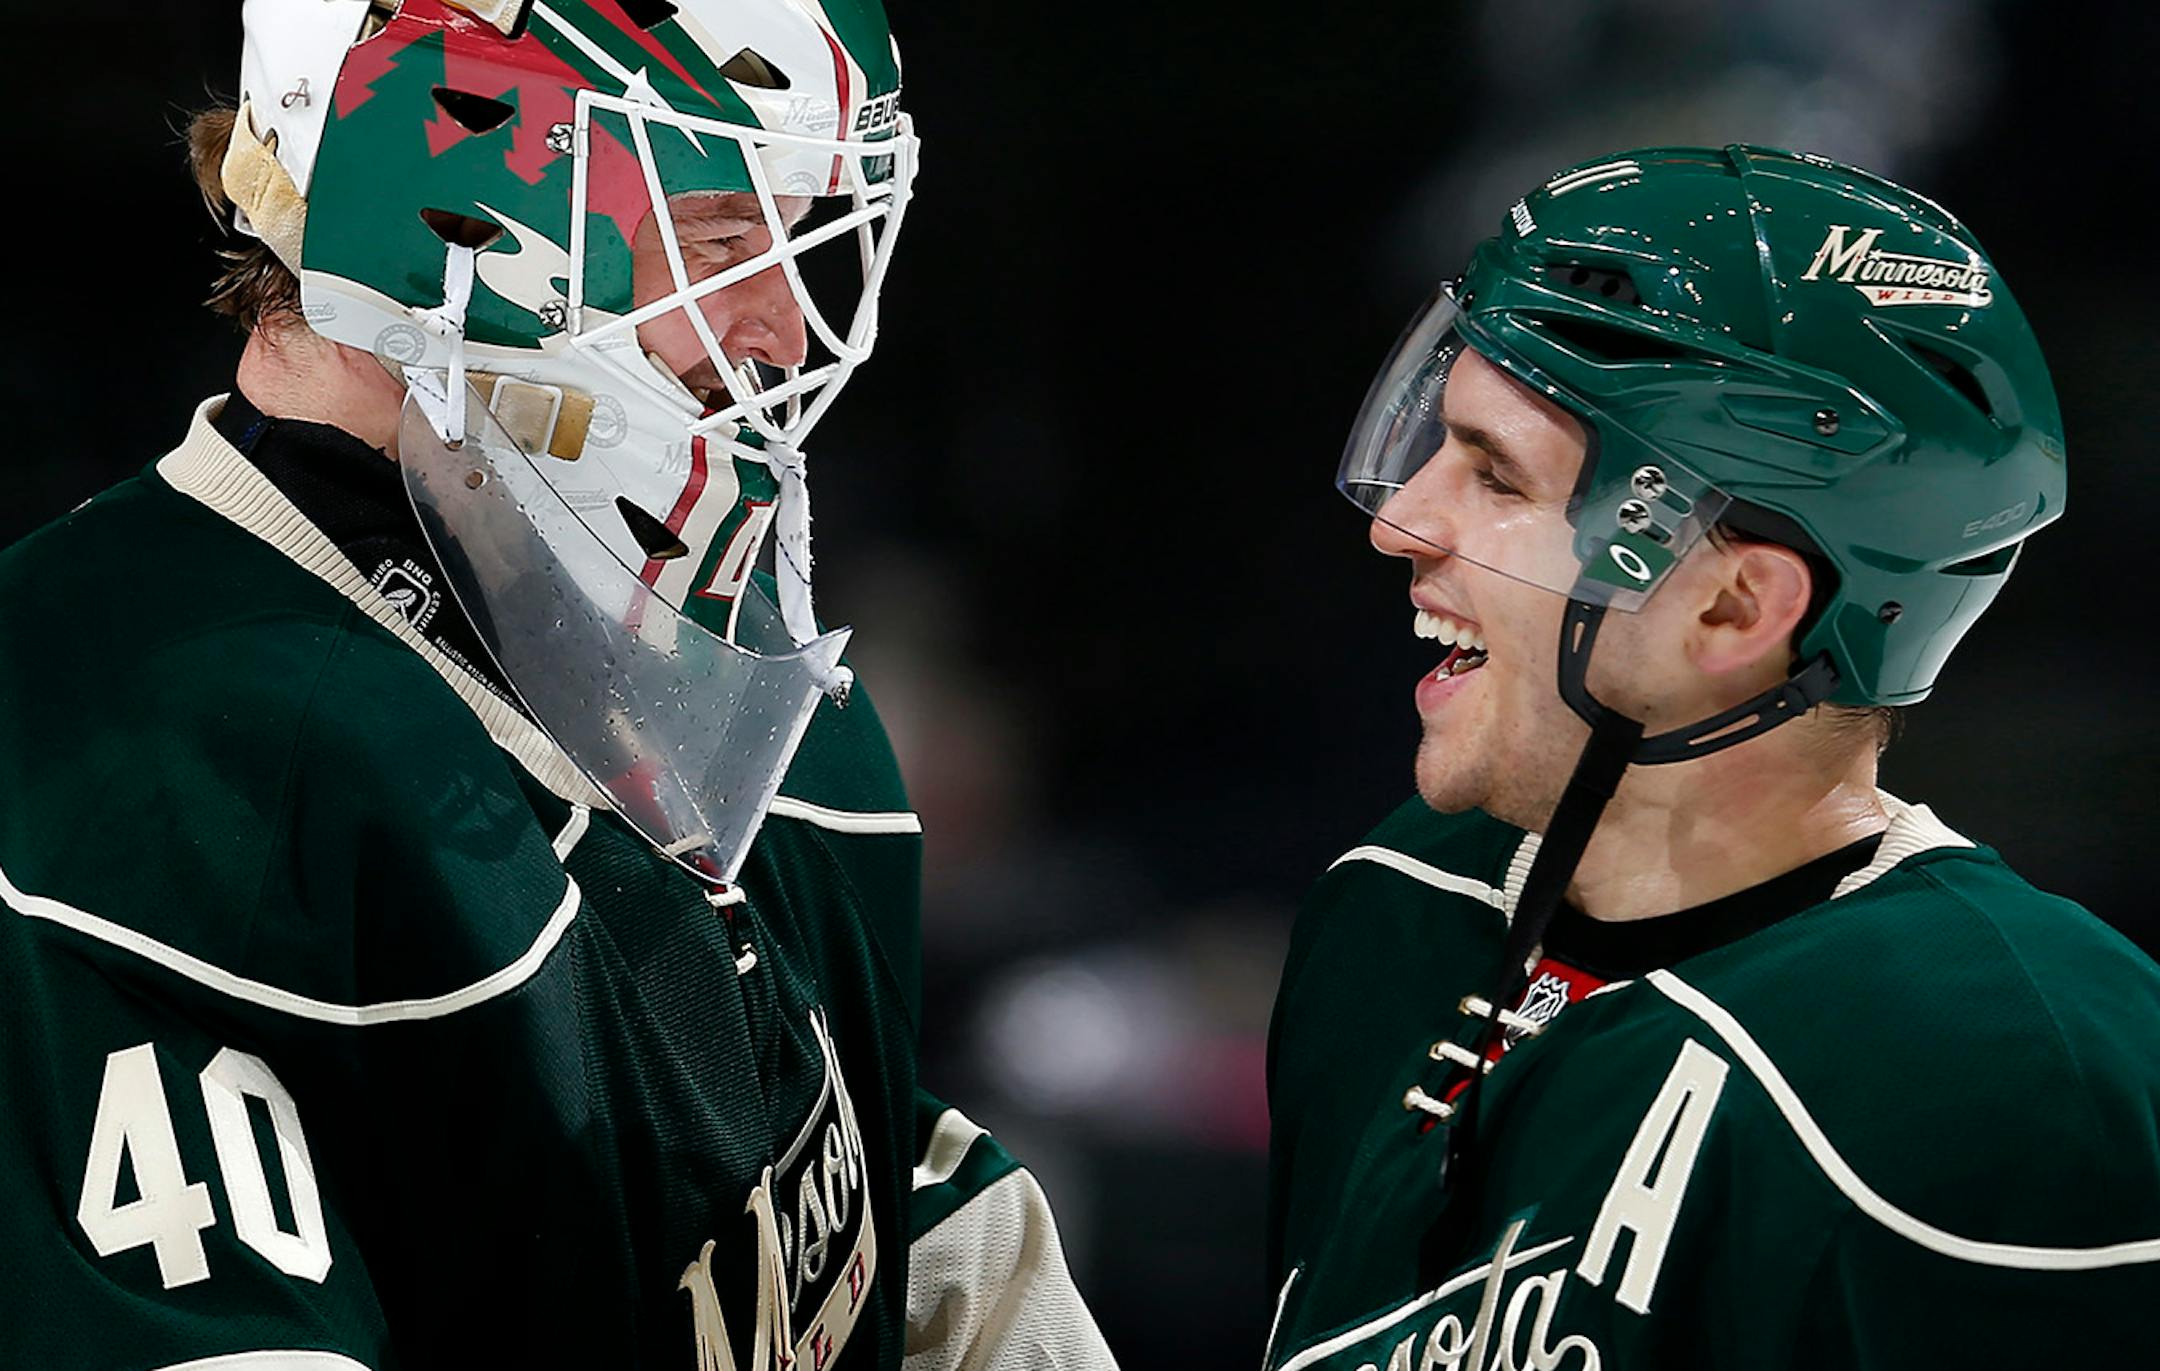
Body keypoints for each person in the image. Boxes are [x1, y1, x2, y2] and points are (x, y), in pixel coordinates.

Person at [0, 2, 1112, 1368]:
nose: (778, 323)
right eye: (719, 234)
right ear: (448, 214)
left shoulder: (768, 718)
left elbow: (865, 1212)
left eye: (799, 232)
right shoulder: (115, 756)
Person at [1263, 145, 2160, 1369]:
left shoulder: (2014, 1079)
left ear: (1737, 610)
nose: (1399, 523)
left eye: (1496, 476)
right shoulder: (1400, 905)